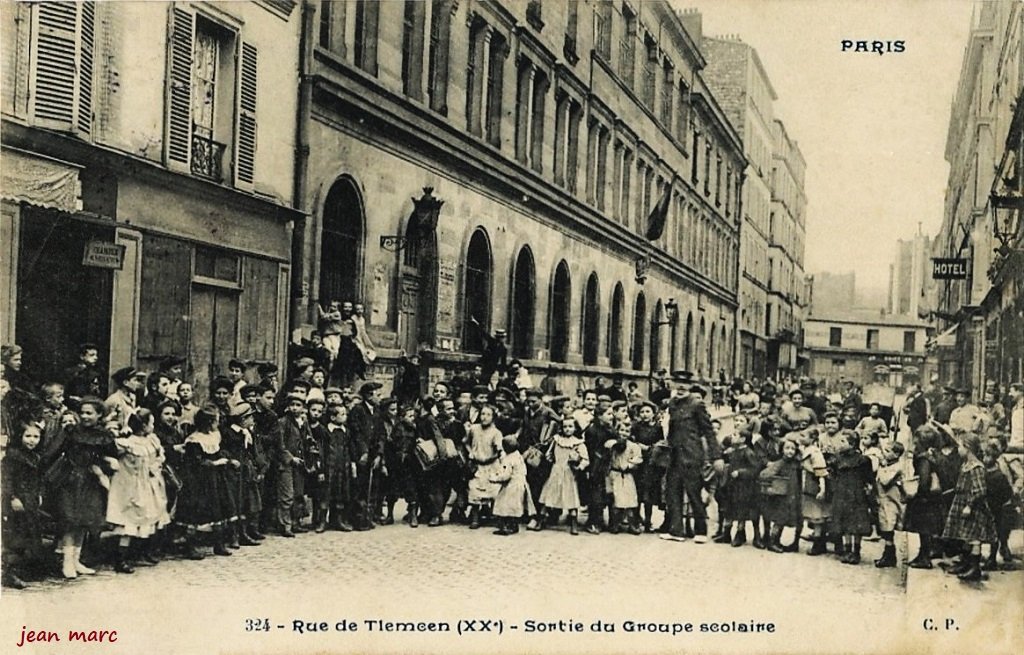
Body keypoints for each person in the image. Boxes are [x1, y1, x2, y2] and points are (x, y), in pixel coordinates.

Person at [47, 397, 118, 579]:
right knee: (70, 521)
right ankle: (67, 562)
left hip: (91, 480)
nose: (85, 416)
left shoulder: (104, 436)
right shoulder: (71, 431)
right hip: (71, 479)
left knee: (85, 521)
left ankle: (76, 560)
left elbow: (111, 456)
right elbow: (54, 451)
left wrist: (103, 465)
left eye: (90, 413)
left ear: (100, 415)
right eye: (82, 413)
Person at [106, 410, 170, 573]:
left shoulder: (152, 440)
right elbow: (110, 450)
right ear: (143, 426)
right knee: (130, 521)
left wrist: (155, 467)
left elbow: (159, 457)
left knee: (150, 516)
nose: (153, 426)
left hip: (150, 482)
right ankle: (121, 559)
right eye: (151, 423)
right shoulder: (127, 443)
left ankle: (142, 551)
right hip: (131, 486)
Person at [660, 385, 723, 543]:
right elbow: (671, 429)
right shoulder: (673, 404)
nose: (680, 388)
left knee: (694, 492)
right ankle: (676, 531)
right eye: (677, 383)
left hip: (692, 455)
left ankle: (700, 531)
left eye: (684, 384)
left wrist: (716, 456)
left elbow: (708, 431)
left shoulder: (696, 404)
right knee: (672, 492)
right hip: (674, 454)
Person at [174, 405, 237, 558]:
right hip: (199, 481)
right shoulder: (194, 440)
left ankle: (219, 544)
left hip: (215, 479)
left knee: (219, 509)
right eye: (216, 420)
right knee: (197, 511)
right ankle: (191, 546)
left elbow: (219, 451)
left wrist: (227, 459)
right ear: (208, 422)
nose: (218, 422)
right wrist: (215, 463)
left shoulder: (214, 436)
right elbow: (195, 462)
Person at [942, 433, 998, 582]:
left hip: (973, 505)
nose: (958, 449)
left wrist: (969, 505)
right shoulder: (965, 465)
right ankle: (966, 563)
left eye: (960, 446)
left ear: (967, 448)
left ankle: (975, 568)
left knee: (974, 537)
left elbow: (980, 490)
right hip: (960, 501)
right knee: (964, 535)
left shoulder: (976, 467)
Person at [2, 423, 44, 589]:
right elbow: (6, 480)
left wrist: (39, 494)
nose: (32, 440)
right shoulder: (12, 457)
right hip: (16, 501)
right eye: (28, 436)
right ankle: (9, 572)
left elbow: (38, 479)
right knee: (15, 534)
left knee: (29, 532)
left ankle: (24, 569)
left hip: (30, 500)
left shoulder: (36, 457)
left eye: (36, 437)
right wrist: (12, 497)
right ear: (20, 437)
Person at [532, 417, 589, 535]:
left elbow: (585, 459)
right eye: (565, 427)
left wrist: (579, 465)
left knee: (571, 497)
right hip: (556, 471)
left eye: (570, 427)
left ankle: (574, 524)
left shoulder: (578, 443)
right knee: (549, 494)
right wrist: (551, 459)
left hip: (569, 472)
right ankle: (541, 520)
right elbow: (549, 453)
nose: (567, 429)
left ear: (575, 428)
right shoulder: (556, 440)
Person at [223, 402, 264, 545]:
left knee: (247, 501)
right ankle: (233, 536)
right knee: (235, 503)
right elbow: (224, 451)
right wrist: (230, 460)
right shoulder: (230, 433)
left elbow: (250, 453)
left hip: (245, 471)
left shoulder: (247, 433)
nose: (252, 420)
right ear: (243, 420)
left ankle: (244, 533)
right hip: (233, 472)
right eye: (250, 417)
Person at [348, 381, 385, 531]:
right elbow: (355, 433)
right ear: (368, 395)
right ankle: (357, 519)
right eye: (378, 394)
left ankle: (367, 518)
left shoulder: (377, 412)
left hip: (373, 456)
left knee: (372, 487)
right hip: (359, 455)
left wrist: (379, 455)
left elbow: (381, 435)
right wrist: (363, 452)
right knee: (359, 487)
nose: (380, 397)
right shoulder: (357, 410)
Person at [904, 425, 943, 569]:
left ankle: (924, 557)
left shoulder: (923, 459)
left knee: (923, 528)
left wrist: (917, 493)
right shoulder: (934, 454)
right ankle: (923, 555)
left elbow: (924, 479)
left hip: (924, 499)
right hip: (933, 499)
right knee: (927, 528)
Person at [757, 437, 802, 553]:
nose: (790, 451)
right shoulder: (780, 463)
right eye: (787, 448)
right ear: (782, 450)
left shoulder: (796, 463)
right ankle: (773, 542)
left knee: (785, 518)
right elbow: (764, 474)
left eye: (793, 449)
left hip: (792, 495)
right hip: (782, 496)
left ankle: (776, 541)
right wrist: (776, 480)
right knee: (779, 519)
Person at [275, 393, 311, 536]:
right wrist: (290, 458)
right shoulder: (282, 422)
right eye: (292, 405)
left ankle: (296, 522)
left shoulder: (304, 422)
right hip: (286, 464)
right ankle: (285, 525)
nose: (295, 408)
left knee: (298, 493)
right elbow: (280, 444)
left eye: (298, 405)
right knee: (287, 495)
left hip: (300, 464)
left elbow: (308, 440)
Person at [465, 405, 504, 529]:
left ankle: (495, 517)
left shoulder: (496, 433)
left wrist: (495, 455)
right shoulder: (474, 429)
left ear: (493, 417)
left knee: (493, 491)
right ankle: (475, 518)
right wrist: (471, 451)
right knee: (474, 490)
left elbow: (499, 449)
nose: (484, 417)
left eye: (488, 415)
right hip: (477, 466)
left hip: (491, 465)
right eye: (482, 414)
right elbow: (466, 442)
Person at [604, 419, 645, 535]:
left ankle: (632, 524)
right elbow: (608, 449)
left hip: (627, 475)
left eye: (627, 431)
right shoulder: (611, 443)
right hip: (614, 474)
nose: (624, 433)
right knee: (615, 499)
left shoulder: (633, 446)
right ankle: (615, 524)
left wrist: (629, 465)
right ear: (617, 431)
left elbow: (638, 459)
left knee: (630, 499)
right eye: (621, 430)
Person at [489, 435, 535, 535]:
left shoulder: (508, 459)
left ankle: (507, 527)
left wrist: (494, 479)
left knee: (506, 505)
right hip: (521, 484)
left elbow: (506, 475)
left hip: (511, 486)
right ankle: (514, 526)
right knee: (515, 505)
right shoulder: (518, 456)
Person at [981, 439, 1015, 570]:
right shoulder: (985, 472)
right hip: (989, 507)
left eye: (988, 456)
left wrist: (1000, 503)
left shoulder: (999, 475)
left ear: (994, 458)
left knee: (995, 533)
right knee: (990, 533)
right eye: (984, 455)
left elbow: (1007, 492)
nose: (985, 458)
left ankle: (992, 558)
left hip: (997, 509)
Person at [873, 441, 906, 568]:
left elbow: (885, 480)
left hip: (891, 500)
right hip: (884, 500)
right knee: (885, 525)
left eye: (887, 451)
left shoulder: (897, 466)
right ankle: (888, 554)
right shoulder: (889, 464)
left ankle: (889, 555)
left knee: (888, 525)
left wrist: (882, 467)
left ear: (896, 454)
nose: (883, 453)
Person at [631, 400, 662, 532]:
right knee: (637, 492)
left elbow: (660, 444)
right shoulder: (636, 426)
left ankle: (648, 522)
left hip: (651, 464)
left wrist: (649, 448)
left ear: (654, 413)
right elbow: (632, 440)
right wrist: (637, 445)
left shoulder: (658, 428)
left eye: (647, 411)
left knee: (648, 494)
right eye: (642, 412)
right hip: (638, 463)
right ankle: (637, 519)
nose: (644, 414)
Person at [324, 403, 353, 532]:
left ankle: (338, 520)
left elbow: (348, 449)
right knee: (325, 493)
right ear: (332, 417)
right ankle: (321, 521)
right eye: (342, 414)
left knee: (341, 492)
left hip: (342, 466)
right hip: (329, 467)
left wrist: (350, 463)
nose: (345, 416)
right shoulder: (325, 431)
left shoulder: (346, 431)